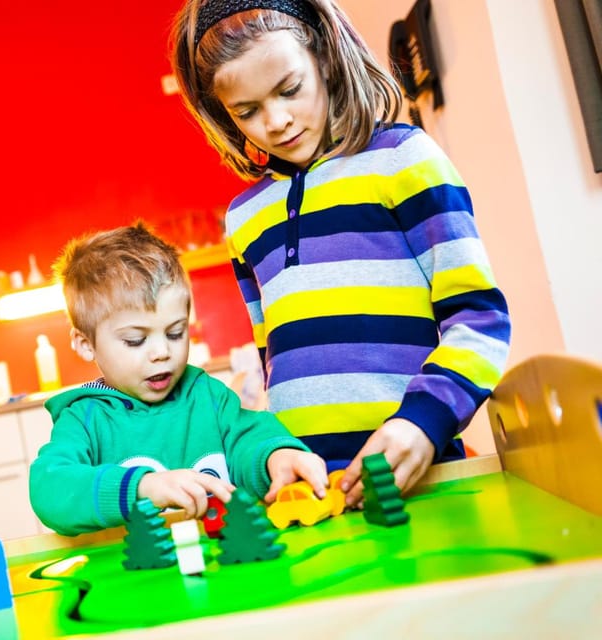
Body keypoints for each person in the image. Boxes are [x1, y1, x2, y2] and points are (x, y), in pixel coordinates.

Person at [169, 0, 511, 508]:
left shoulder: (402, 159)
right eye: (247, 111)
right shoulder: (243, 217)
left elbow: (479, 319)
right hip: (309, 495)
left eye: (290, 90)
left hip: (415, 475)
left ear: (325, 59)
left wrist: (423, 422)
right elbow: (272, 359)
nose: (277, 121)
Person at [29, 223, 327, 536]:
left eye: (175, 333)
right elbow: (49, 488)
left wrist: (276, 457)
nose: (161, 352)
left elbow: (249, 439)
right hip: (140, 581)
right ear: (85, 344)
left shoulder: (206, 395)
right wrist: (142, 486)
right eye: (135, 340)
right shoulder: (85, 419)